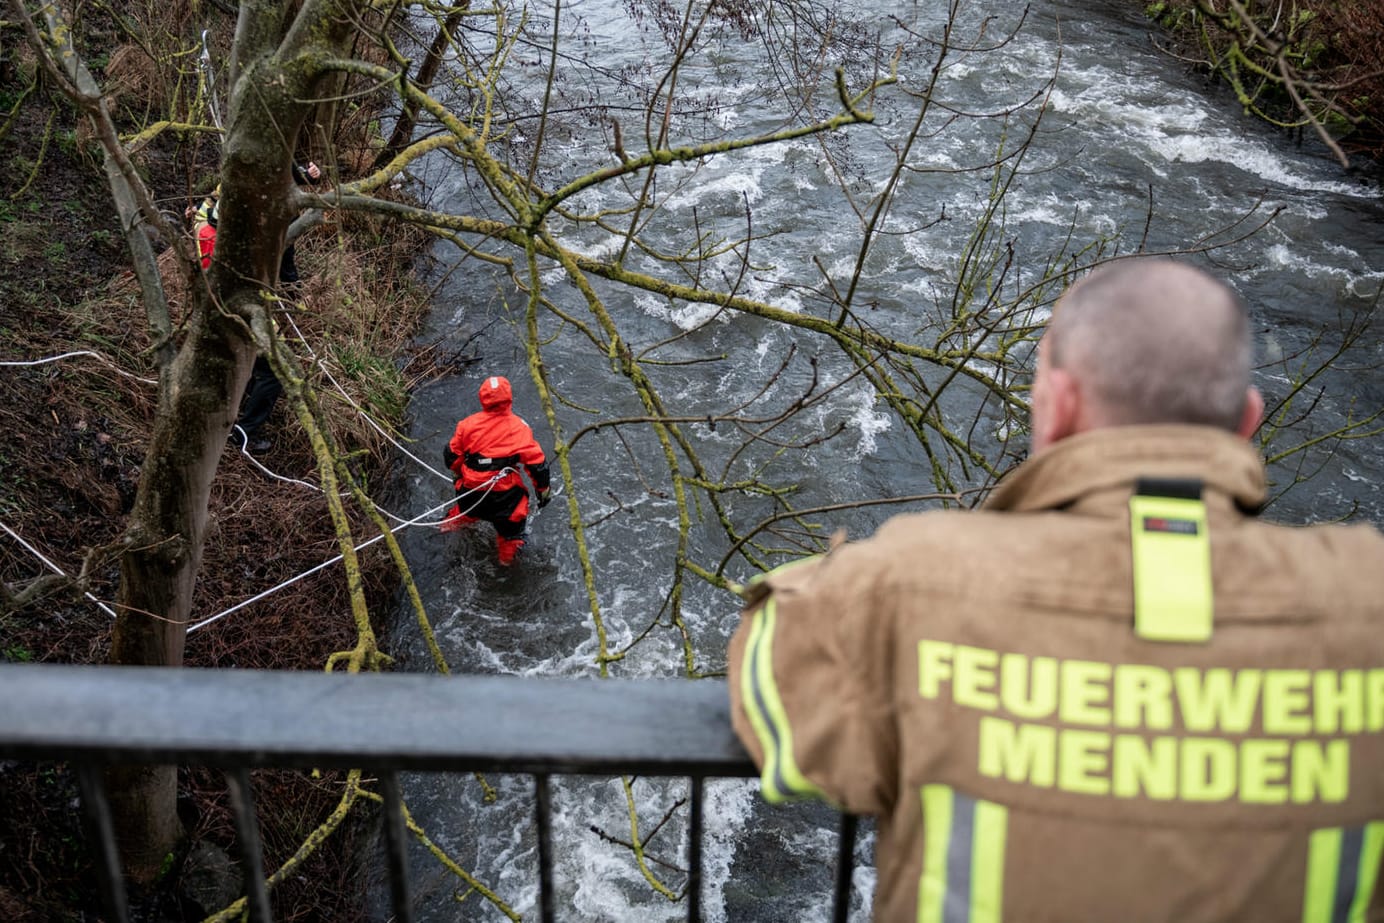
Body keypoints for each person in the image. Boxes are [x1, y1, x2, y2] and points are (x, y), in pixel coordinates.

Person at [728, 258, 1384, 921]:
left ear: (1059, 404)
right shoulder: (1368, 599)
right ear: (1247, 420)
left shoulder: (914, 580)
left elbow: (773, 686)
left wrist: (843, 573)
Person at [442, 375, 551, 566]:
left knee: (462, 513)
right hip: (505, 500)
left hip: (471, 493)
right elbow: (537, 465)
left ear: (482, 398)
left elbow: (451, 457)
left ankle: (443, 531)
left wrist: (458, 475)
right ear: (509, 398)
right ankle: (506, 564)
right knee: (511, 535)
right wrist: (543, 493)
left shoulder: (466, 425)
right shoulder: (520, 428)